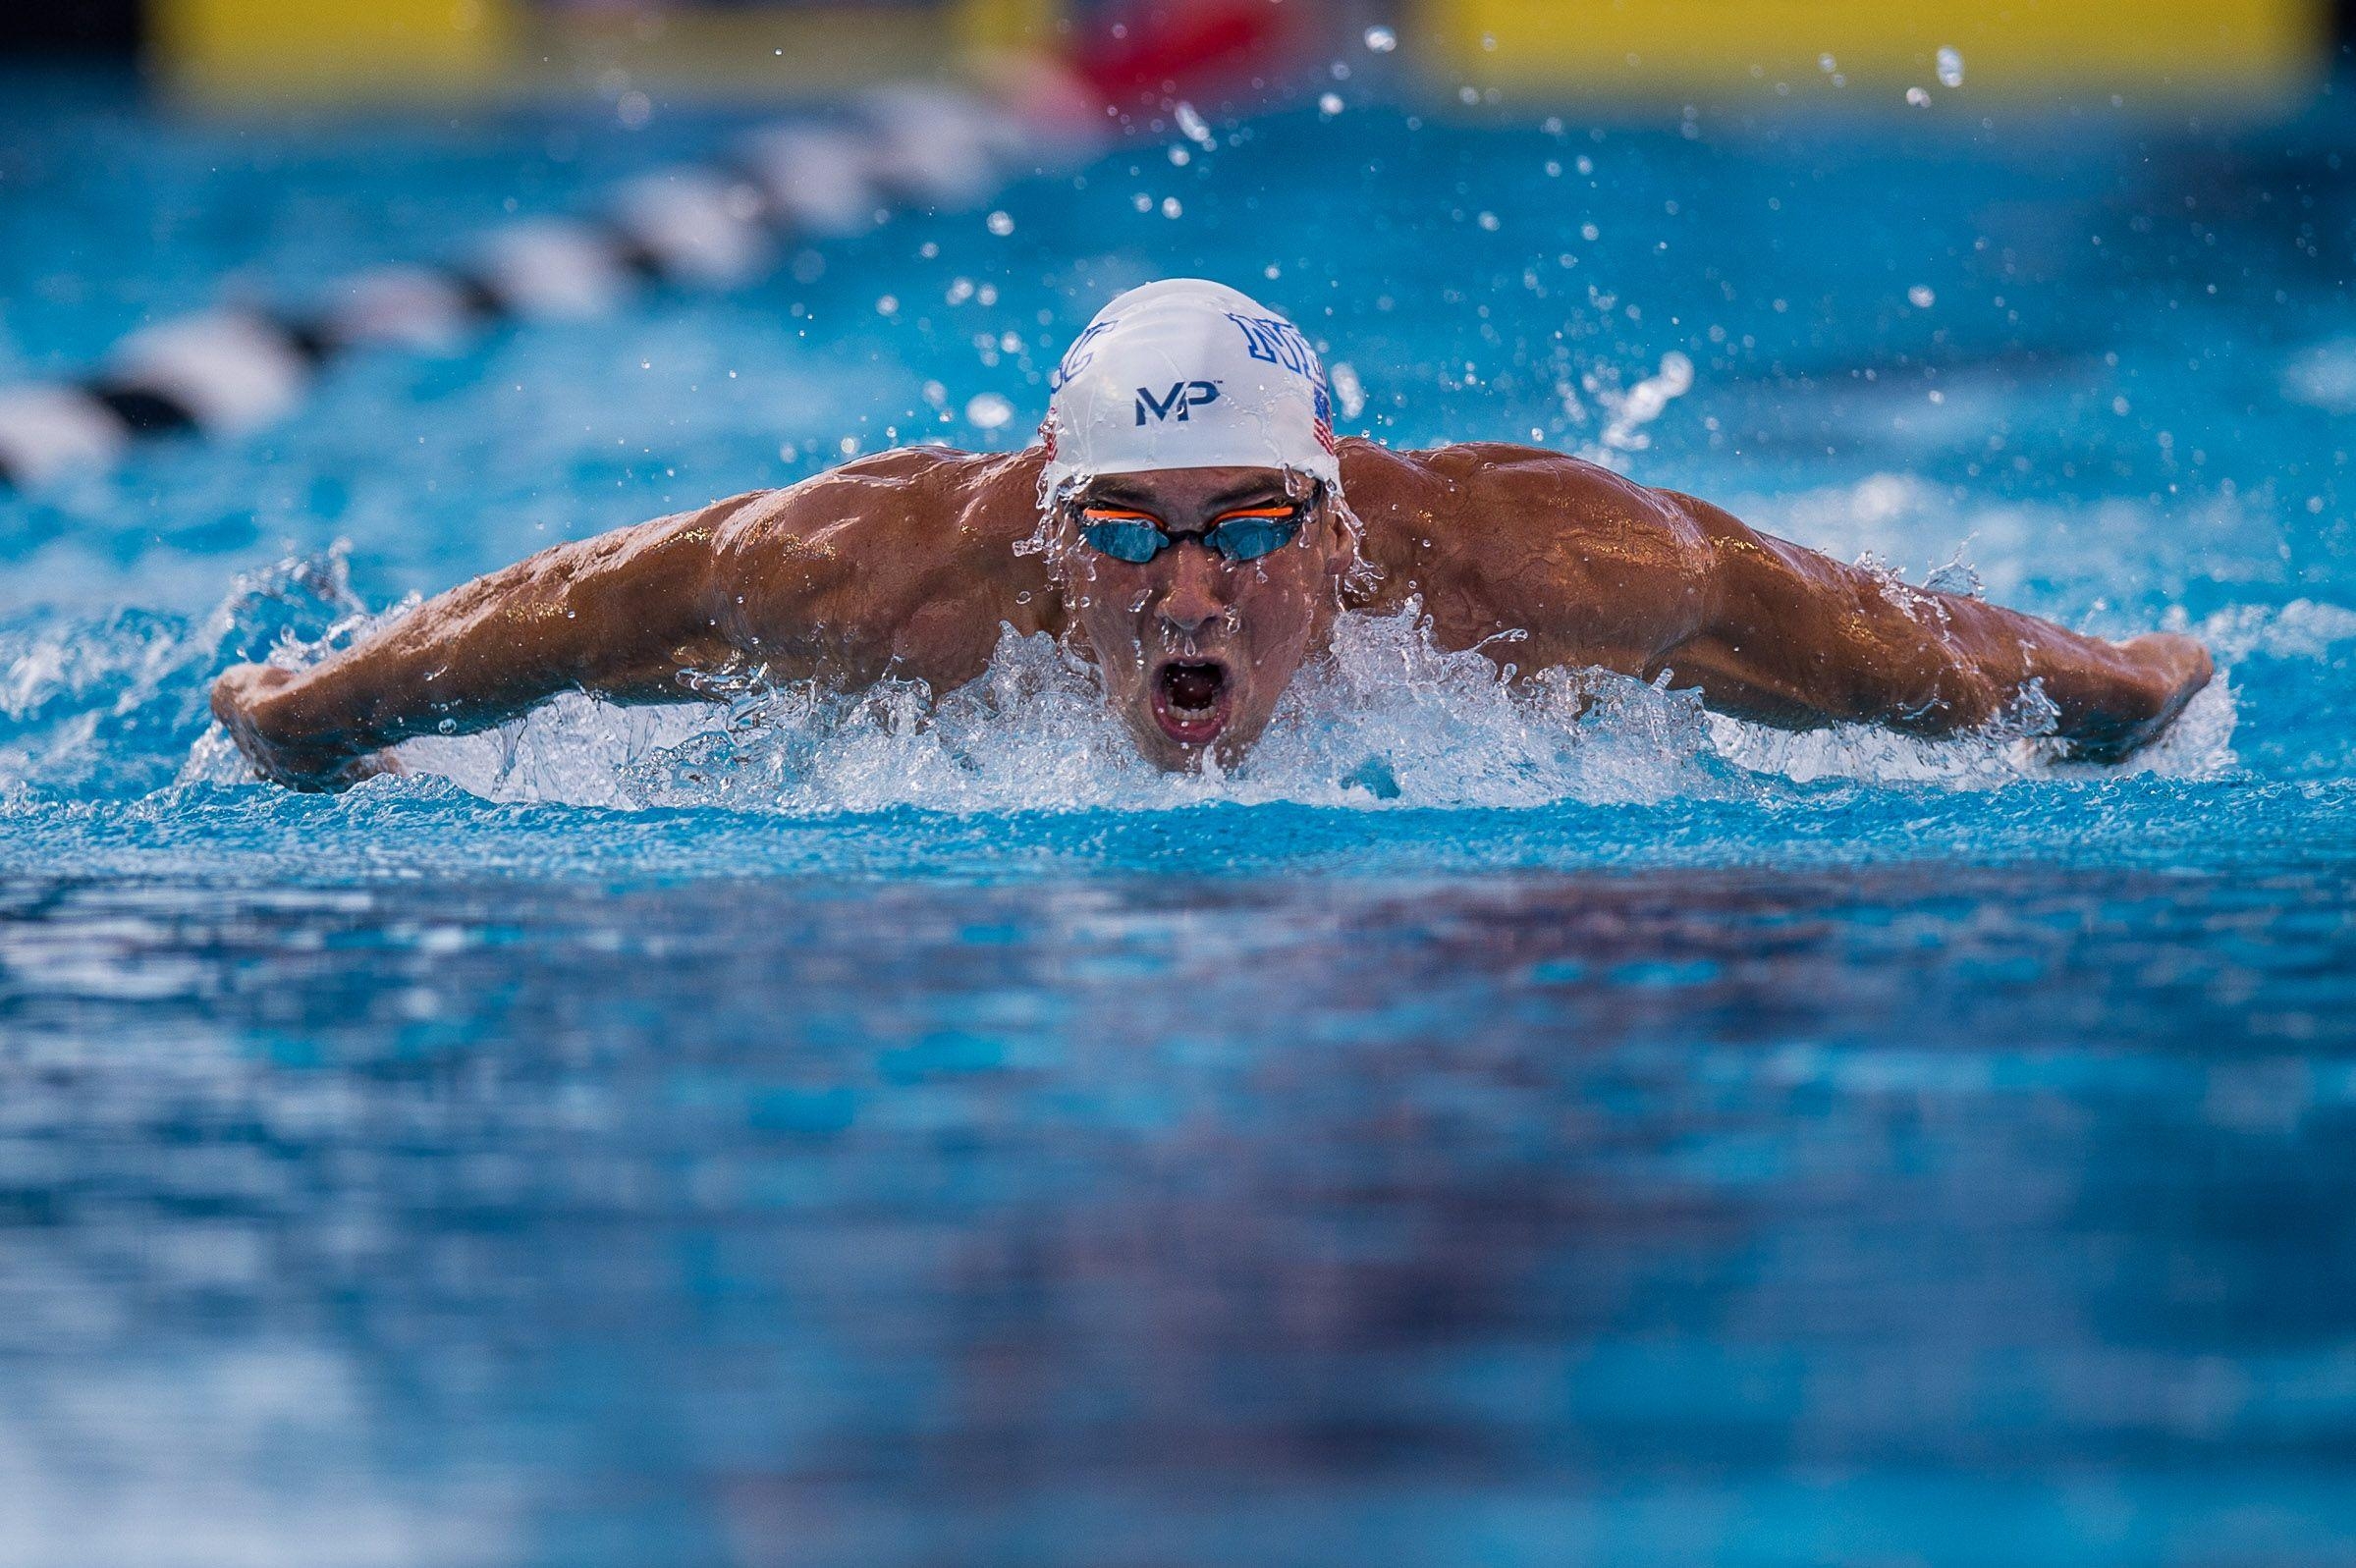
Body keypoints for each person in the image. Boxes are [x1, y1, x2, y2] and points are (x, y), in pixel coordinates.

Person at [211, 279, 2213, 789]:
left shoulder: (1528, 569)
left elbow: (1863, 631)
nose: (1188, 586)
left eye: (1249, 523)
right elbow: (581, 604)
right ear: (1049, 520)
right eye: (1135, 533)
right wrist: (328, 708)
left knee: (1758, 677)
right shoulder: (889, 568)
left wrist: (2110, 687)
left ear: (1334, 515)